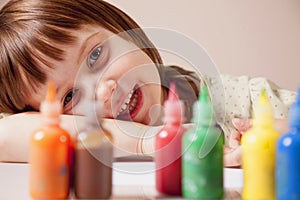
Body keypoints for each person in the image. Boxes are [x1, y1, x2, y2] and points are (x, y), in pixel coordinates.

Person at [0, 0, 295, 166]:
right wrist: (148, 140)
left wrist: (278, 136)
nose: (104, 89)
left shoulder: (241, 101)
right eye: (69, 97)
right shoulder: (54, 139)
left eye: (96, 55)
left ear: (123, 31)